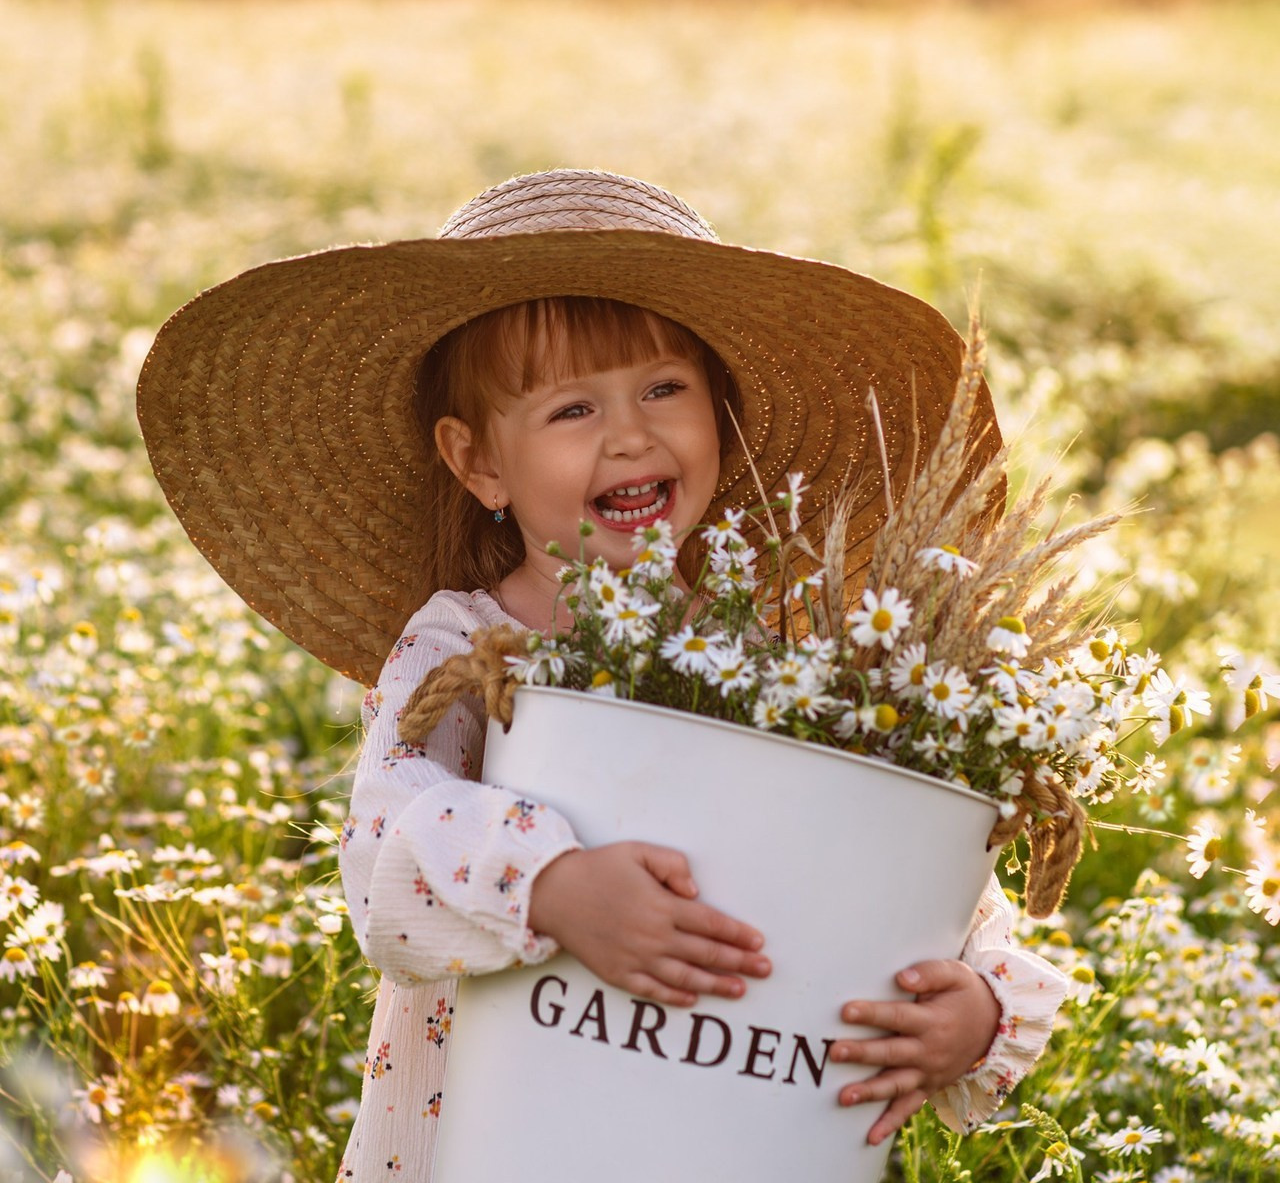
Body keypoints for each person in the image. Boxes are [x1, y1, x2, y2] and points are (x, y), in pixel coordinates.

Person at [137, 169, 1067, 1181]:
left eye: (664, 389)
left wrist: (975, 1005)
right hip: (499, 1130)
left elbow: (882, 855)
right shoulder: (466, 648)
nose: (630, 434)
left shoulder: (777, 664)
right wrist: (551, 885)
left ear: (721, 416)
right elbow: (384, 845)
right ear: (478, 462)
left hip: (719, 1121)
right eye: (573, 408)